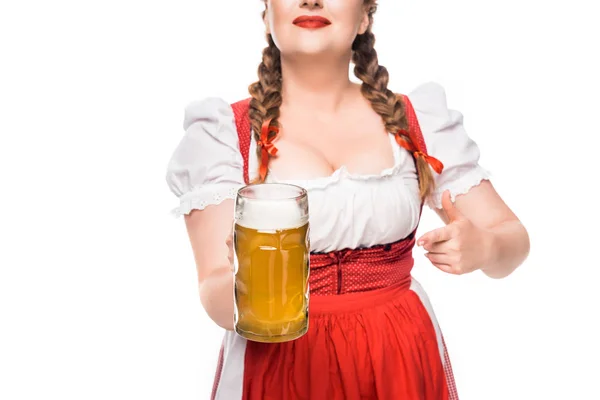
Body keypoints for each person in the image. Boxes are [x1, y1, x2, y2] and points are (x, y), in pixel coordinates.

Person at [165, 0, 530, 399]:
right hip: (279, 366)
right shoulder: (223, 135)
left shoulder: (417, 121)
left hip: (399, 357)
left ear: (365, 17)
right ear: (267, 15)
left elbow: (512, 237)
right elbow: (214, 286)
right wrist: (247, 292)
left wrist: (485, 246)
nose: (311, 0)